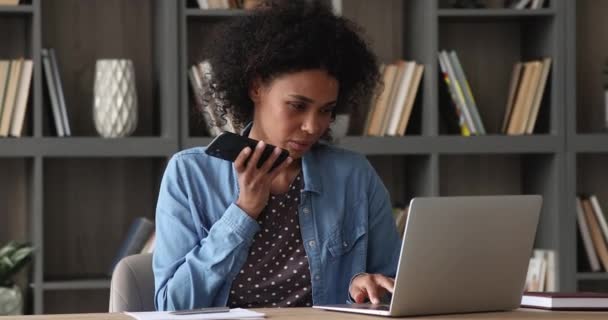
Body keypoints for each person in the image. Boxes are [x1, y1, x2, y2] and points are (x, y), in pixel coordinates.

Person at [153, 0, 401, 311]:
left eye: (326, 110)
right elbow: (171, 306)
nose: (313, 126)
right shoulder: (190, 176)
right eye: (297, 105)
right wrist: (243, 213)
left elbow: (394, 287)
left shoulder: (354, 175)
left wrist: (362, 289)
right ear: (256, 87)